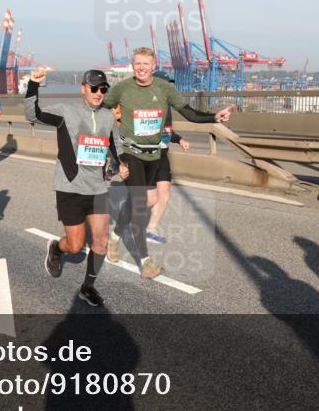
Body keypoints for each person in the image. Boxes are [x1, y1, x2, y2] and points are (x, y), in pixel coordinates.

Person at [102, 47, 232, 278]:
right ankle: (146, 262)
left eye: (146, 64)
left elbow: (190, 113)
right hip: (132, 153)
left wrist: (214, 117)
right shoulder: (122, 89)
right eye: (137, 63)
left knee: (136, 202)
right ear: (133, 65)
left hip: (156, 155)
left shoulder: (165, 89)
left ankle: (114, 235)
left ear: (154, 66)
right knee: (141, 204)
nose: (141, 67)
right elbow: (100, 110)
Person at [25, 68, 122, 307]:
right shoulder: (66, 111)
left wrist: (122, 164)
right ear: (83, 89)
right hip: (69, 187)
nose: (99, 93)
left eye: (103, 89)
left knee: (100, 241)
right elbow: (32, 115)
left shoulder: (108, 116)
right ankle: (56, 249)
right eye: (94, 88)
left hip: (98, 187)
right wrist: (33, 85)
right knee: (76, 245)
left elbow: (116, 145)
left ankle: (87, 288)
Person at [146, 72, 192, 244]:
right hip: (147, 157)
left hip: (163, 156)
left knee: (164, 196)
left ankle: (150, 229)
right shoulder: (145, 106)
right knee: (150, 199)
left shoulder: (167, 107)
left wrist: (179, 139)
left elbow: (167, 131)